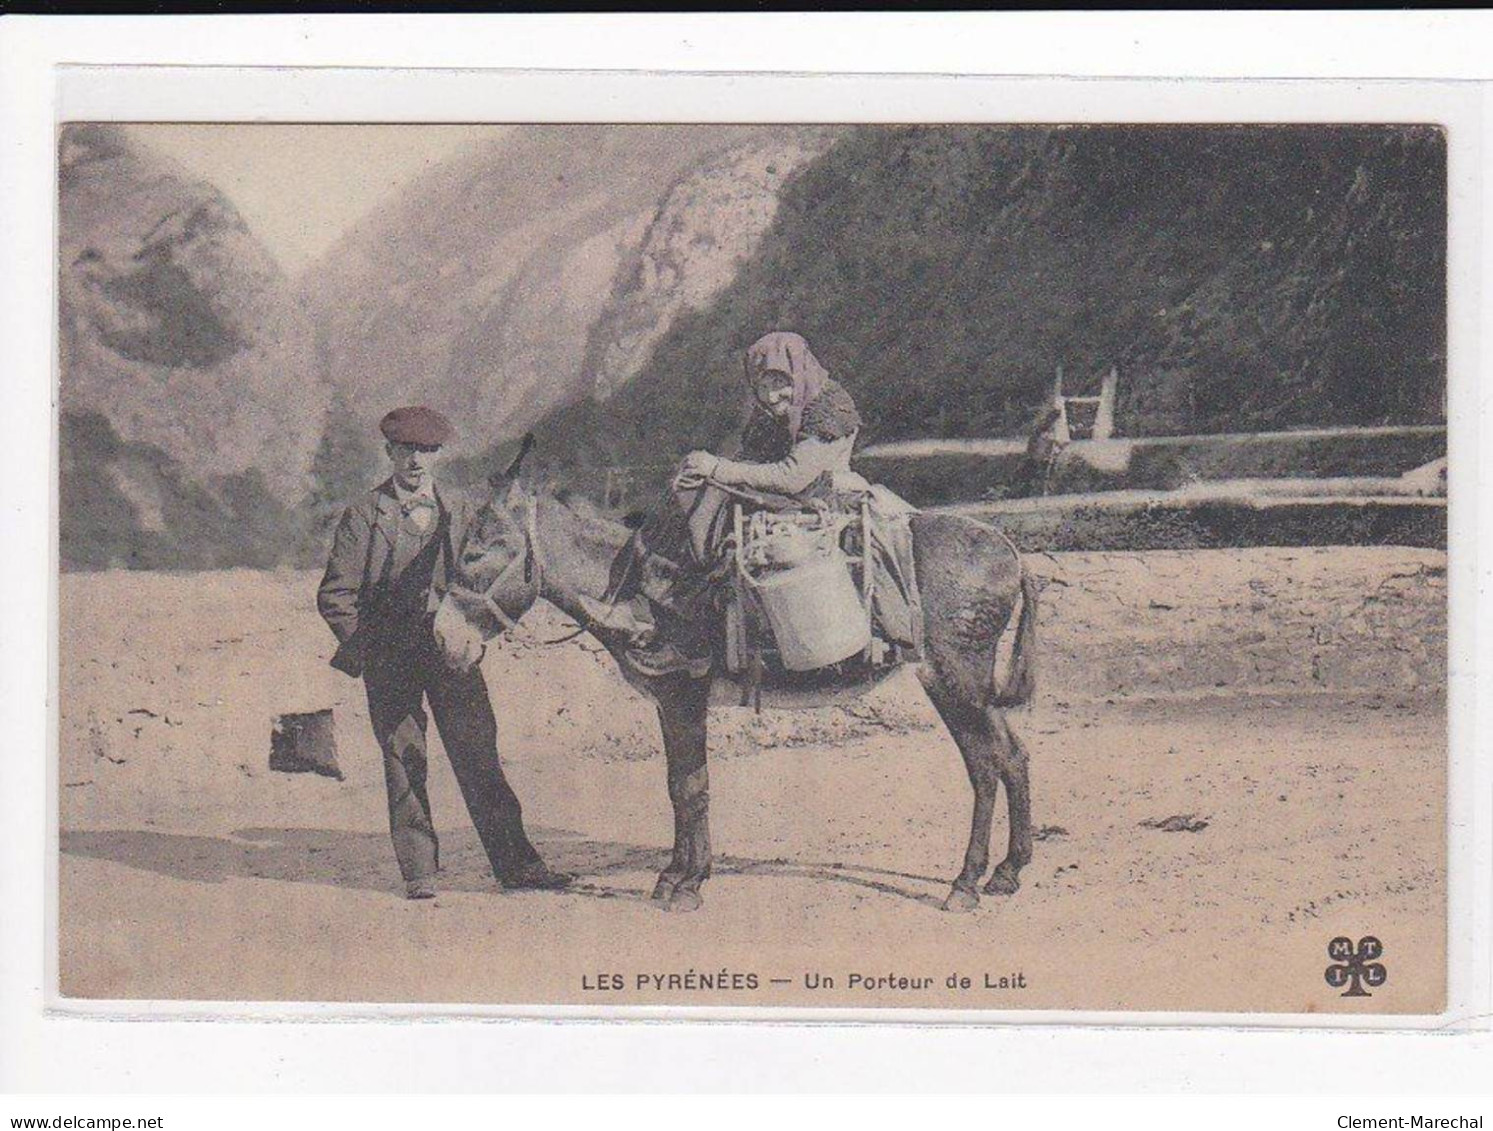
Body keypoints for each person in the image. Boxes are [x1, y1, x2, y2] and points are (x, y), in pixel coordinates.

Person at [317, 406, 571, 900]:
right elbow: (335, 596)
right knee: (403, 761)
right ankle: (419, 873)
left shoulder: (461, 511)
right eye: (406, 450)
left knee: (479, 757)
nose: (415, 461)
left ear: (438, 455)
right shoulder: (364, 516)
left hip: (451, 653)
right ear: (390, 453)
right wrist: (370, 653)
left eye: (426, 451)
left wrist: (475, 636)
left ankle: (518, 866)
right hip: (389, 658)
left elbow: (486, 575)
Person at [590, 331, 866, 677]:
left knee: (706, 514)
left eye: (781, 382)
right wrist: (707, 469)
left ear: (801, 371)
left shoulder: (827, 410)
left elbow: (794, 475)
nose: (772, 395)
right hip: (789, 495)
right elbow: (752, 457)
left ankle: (688, 642)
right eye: (762, 386)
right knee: (688, 492)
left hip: (814, 498)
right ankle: (632, 602)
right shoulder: (779, 411)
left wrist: (718, 469)